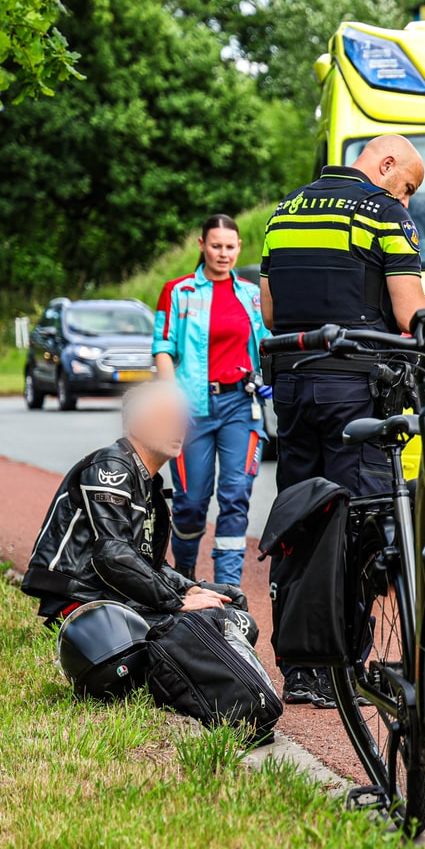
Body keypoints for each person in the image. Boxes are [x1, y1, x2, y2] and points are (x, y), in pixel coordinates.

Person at [259, 134, 425, 707]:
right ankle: (344, 664)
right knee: (362, 519)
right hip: (353, 387)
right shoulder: (382, 214)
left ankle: (299, 668)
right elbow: (409, 313)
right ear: (385, 166)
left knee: (303, 517)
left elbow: (272, 312)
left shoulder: (285, 211)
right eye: (406, 187)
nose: (405, 202)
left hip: (293, 383)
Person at [21, 383, 247, 628]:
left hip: (114, 592)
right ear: (137, 426)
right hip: (82, 599)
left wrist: (189, 588)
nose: (179, 426)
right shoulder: (110, 466)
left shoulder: (149, 483)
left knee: (231, 599)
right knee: (222, 619)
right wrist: (176, 602)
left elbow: (150, 565)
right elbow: (113, 555)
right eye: (166, 418)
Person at [152, 213, 272, 588]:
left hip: (242, 406)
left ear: (239, 248)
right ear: (202, 245)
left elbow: (268, 344)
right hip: (193, 411)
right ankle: (185, 575)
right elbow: (162, 348)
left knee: (236, 496)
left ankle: (228, 589)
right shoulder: (178, 292)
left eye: (230, 247)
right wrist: (172, 399)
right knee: (190, 504)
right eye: (216, 246)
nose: (223, 254)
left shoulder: (252, 295)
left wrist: (269, 376)